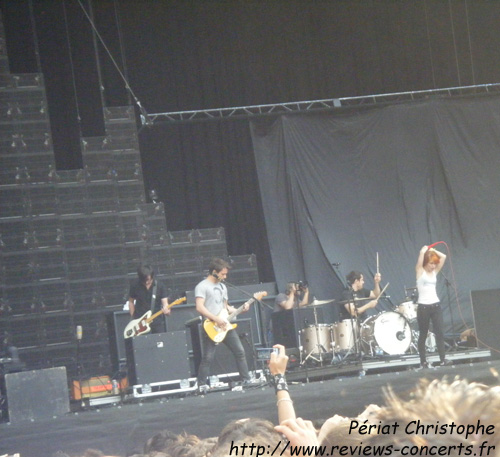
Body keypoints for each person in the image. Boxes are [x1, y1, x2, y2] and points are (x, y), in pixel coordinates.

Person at [194, 258, 255, 392]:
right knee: (208, 357)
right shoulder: (202, 286)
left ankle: (246, 380)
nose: (225, 277)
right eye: (223, 274)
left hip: (225, 325)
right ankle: (201, 384)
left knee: (240, 352)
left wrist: (240, 309)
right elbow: (199, 307)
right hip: (211, 326)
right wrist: (216, 319)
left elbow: (226, 307)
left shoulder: (223, 286)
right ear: (214, 272)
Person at [415, 245, 449, 368]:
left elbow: (443, 256)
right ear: (426, 262)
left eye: (434, 263)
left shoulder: (434, 272)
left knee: (439, 332)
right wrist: (422, 252)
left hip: (435, 305)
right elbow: (419, 263)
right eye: (431, 263)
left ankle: (443, 359)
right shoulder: (420, 271)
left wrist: (433, 250)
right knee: (423, 333)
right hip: (423, 307)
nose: (433, 266)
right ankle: (423, 361)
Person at [128, 264, 171, 334]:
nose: (147, 282)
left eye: (148, 280)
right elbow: (131, 302)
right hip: (140, 323)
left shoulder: (160, 286)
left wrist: (167, 311)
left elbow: (165, 303)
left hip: (156, 322)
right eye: (144, 281)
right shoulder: (135, 285)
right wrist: (134, 320)